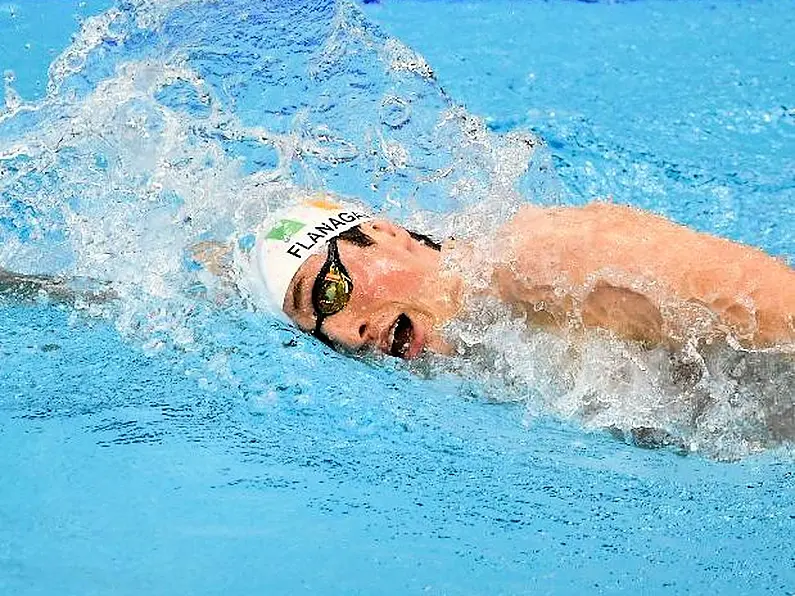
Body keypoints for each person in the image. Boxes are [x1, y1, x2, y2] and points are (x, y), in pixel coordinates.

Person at [3, 192, 794, 360]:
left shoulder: (536, 262)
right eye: (323, 329)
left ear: (381, 234)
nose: (345, 331)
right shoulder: (492, 348)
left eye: (332, 293)